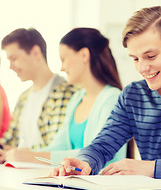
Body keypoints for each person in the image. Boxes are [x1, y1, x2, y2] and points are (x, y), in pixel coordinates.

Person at [51, 6, 161, 179]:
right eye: (135, 59)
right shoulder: (134, 95)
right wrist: (84, 161)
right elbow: (103, 145)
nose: (142, 68)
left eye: (150, 56)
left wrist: (151, 169)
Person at [4, 28, 127, 164]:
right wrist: (27, 155)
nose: (61, 68)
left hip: (101, 183)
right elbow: (57, 147)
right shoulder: (77, 99)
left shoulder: (112, 99)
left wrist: (31, 157)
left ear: (84, 55)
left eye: (64, 59)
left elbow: (98, 152)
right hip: (76, 182)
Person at [0, 28, 76, 163]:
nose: (10, 66)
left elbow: (55, 146)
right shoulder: (23, 97)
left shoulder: (66, 93)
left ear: (35, 53)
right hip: (19, 172)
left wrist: (17, 152)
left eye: (14, 58)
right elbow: (9, 140)